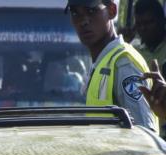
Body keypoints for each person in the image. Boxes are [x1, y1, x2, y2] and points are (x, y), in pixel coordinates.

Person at [68, 0, 158, 132]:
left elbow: (144, 132)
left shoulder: (123, 63)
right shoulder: (102, 62)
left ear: (112, 11)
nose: (83, 21)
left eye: (91, 11)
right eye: (75, 13)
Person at [134, 0, 166, 69]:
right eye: (138, 24)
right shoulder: (134, 52)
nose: (143, 28)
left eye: (148, 23)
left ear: (162, 21)